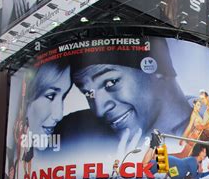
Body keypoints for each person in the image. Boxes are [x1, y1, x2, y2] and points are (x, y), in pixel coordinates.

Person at [66, 38, 194, 157]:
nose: (99, 110)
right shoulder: (73, 133)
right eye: (88, 93)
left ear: (160, 67)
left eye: (110, 82)